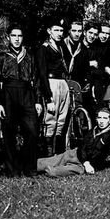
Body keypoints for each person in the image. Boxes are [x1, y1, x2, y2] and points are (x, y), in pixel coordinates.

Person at [0, 25, 44, 177]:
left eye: (19, 36)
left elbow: (36, 79)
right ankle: (12, 169)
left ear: (23, 38)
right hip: (8, 93)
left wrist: (37, 101)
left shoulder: (29, 55)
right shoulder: (2, 56)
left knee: (32, 131)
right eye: (13, 36)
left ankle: (28, 167)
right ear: (8, 37)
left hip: (26, 93)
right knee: (9, 133)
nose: (16, 39)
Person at [37, 108, 110, 177]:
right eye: (99, 118)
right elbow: (82, 147)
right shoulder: (93, 131)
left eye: (105, 118)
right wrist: (86, 162)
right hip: (75, 155)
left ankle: (52, 169)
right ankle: (27, 166)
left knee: (53, 172)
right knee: (41, 163)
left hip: (81, 166)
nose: (101, 121)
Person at [36, 18, 70, 155]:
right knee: (50, 119)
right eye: (56, 30)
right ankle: (48, 153)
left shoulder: (61, 47)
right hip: (51, 83)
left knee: (62, 118)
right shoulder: (43, 48)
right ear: (49, 31)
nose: (59, 33)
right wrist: (48, 98)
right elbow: (42, 74)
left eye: (61, 30)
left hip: (63, 83)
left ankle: (58, 152)